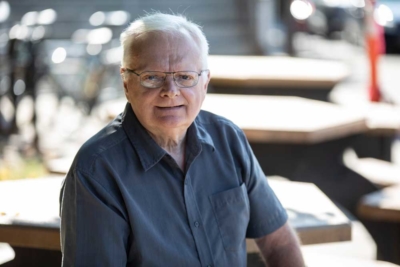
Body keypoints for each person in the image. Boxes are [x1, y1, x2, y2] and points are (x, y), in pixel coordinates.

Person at [60, 12, 305, 267]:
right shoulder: (96, 170)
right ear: (126, 82)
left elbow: (280, 243)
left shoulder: (228, 139)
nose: (171, 92)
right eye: (152, 77)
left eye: (185, 77)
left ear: (205, 83)